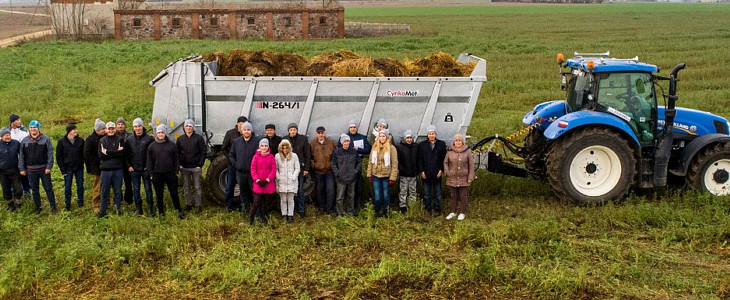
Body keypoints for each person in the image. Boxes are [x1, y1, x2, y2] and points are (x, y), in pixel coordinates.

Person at [147, 124, 185, 219]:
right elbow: (149, 162)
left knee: (174, 193)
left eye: (162, 132)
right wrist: (151, 174)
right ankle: (161, 212)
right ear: (156, 134)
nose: (160, 134)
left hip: (170, 173)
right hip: (157, 174)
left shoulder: (172, 145)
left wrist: (176, 171)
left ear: (165, 133)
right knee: (159, 195)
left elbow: (176, 159)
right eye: (159, 132)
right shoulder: (152, 146)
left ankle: (179, 211)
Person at [19, 120, 57, 214]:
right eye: (31, 127)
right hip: (31, 170)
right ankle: (38, 207)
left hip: (44, 169)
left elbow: (50, 153)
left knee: (48, 188)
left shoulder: (45, 139)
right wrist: (22, 168)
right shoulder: (24, 140)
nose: (33, 129)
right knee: (35, 190)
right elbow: (22, 155)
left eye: (35, 127)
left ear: (38, 128)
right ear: (29, 129)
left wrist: (49, 166)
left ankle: (53, 207)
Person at [338, 119, 371, 211]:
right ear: (349, 128)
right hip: (345, 165)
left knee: (357, 187)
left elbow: (368, 149)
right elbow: (338, 148)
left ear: (357, 128)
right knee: (343, 189)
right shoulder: (344, 137)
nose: (353, 129)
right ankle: (343, 208)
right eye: (351, 127)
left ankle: (356, 207)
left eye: (354, 127)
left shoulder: (362, 137)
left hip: (356, 165)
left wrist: (358, 149)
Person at [366, 129, 398, 217]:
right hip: (376, 175)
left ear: (387, 137)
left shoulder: (392, 148)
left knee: (386, 195)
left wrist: (392, 177)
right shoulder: (374, 147)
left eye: (383, 136)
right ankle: (376, 211)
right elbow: (370, 162)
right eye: (380, 136)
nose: (382, 138)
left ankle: (385, 211)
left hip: (386, 175)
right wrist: (369, 174)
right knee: (377, 195)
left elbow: (394, 163)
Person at [229, 121, 259, 216]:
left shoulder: (257, 141)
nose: (246, 131)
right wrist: (236, 164)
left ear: (251, 131)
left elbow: (261, 156)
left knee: (255, 193)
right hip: (240, 172)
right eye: (245, 129)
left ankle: (257, 213)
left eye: (248, 130)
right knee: (243, 193)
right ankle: (245, 211)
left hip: (252, 173)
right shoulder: (236, 142)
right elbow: (231, 155)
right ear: (241, 131)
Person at [126, 118, 154, 216]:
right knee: (136, 189)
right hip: (134, 170)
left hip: (146, 169)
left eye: (139, 126)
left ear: (142, 127)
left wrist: (149, 166)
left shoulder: (149, 139)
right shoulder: (129, 140)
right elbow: (126, 154)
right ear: (133, 127)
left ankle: (150, 209)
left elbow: (153, 154)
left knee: (148, 189)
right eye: (135, 127)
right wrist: (128, 166)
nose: (137, 128)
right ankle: (139, 209)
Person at [444, 134, 475, 221]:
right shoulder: (449, 151)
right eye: (456, 141)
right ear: (454, 142)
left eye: (459, 141)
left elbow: (471, 165)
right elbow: (445, 162)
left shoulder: (467, 151)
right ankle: (453, 212)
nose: (458, 142)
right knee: (453, 196)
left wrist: (470, 177)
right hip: (452, 177)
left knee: (463, 196)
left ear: (462, 142)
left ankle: (462, 213)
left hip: (464, 178)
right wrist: (447, 172)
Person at [177, 119, 206, 212]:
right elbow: (176, 153)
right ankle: (188, 204)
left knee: (197, 187)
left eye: (190, 126)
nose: (188, 128)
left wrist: (200, 165)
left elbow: (203, 152)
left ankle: (198, 205)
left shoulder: (198, 138)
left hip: (195, 168)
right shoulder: (180, 139)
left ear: (193, 128)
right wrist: (179, 164)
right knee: (187, 187)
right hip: (184, 168)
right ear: (184, 128)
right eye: (186, 126)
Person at [98, 121, 126, 217]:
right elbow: (101, 156)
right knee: (104, 191)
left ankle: (118, 209)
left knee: (117, 191)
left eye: (112, 128)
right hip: (105, 170)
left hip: (117, 169)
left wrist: (108, 152)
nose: (111, 130)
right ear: (106, 130)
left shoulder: (120, 139)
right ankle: (102, 210)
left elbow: (121, 154)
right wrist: (115, 152)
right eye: (109, 129)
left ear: (115, 129)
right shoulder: (102, 141)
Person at [417, 125, 447, 216]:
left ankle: (437, 208)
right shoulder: (422, 145)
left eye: (433, 133)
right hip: (426, 172)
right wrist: (421, 171)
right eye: (429, 134)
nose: (431, 135)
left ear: (436, 134)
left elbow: (443, 159)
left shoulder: (441, 144)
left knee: (437, 193)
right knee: (427, 193)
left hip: (437, 172)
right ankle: (428, 208)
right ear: (427, 135)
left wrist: (441, 170)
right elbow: (420, 159)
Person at [284, 123, 311, 217]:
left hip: (300, 169)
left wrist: (306, 168)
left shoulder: (303, 139)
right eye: (291, 130)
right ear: (288, 131)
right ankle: (288, 211)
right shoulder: (285, 139)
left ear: (297, 130)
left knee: (300, 191)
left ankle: (301, 210)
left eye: (294, 129)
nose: (292, 131)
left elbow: (307, 154)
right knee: (288, 191)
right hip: (287, 170)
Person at [56, 123, 85, 211]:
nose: (76, 131)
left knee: (80, 185)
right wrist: (62, 170)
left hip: (79, 167)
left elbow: (84, 154)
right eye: (74, 129)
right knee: (68, 186)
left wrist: (82, 163)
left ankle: (81, 202)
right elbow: (59, 156)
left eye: (76, 129)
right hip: (67, 168)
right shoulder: (61, 142)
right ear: (69, 131)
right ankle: (67, 204)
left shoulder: (81, 141)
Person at [331, 134, 361, 217]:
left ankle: (350, 212)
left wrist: (355, 171)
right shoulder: (337, 152)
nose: (346, 143)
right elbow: (333, 163)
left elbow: (359, 162)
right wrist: (337, 173)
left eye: (348, 141)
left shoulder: (354, 151)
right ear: (342, 142)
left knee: (351, 196)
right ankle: (339, 213)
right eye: (345, 141)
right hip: (341, 179)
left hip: (352, 178)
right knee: (340, 197)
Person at [222, 116, 247, 212]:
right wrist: (231, 159)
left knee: (243, 186)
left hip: (243, 165)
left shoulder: (247, 133)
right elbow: (224, 148)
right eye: (240, 123)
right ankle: (228, 205)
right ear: (237, 124)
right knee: (230, 185)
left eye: (244, 124)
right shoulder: (230, 133)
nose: (242, 125)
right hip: (232, 165)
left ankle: (242, 206)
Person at [310, 126, 336, 214]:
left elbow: (336, 155)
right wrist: (314, 165)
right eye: (319, 133)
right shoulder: (312, 144)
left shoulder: (331, 143)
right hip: (318, 171)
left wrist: (333, 165)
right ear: (316, 134)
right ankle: (321, 207)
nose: (321, 135)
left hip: (329, 171)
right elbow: (309, 157)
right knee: (319, 189)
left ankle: (330, 208)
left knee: (330, 190)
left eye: (322, 133)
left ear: (325, 133)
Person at [4, 113, 30, 202]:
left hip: (23, 158)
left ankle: (27, 192)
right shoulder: (6, 132)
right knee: (13, 177)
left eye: (19, 120)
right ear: (12, 122)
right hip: (12, 159)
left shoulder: (24, 131)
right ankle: (13, 193)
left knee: (24, 176)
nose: (20, 121)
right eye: (18, 120)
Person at [249, 139, 276, 224]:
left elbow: (273, 169)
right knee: (256, 202)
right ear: (259, 147)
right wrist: (257, 180)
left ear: (268, 147)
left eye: (265, 146)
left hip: (268, 183)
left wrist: (268, 179)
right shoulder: (256, 157)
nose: (264, 148)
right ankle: (251, 218)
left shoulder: (271, 157)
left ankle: (264, 218)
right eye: (262, 146)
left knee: (266, 202)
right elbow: (253, 169)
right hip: (258, 183)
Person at [275, 139, 299, 223]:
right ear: (281, 148)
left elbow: (297, 168)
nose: (285, 150)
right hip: (282, 181)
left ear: (289, 148)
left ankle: (290, 215)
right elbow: (275, 168)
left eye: (286, 148)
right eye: (283, 148)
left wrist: (293, 177)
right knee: (283, 200)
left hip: (291, 181)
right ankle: (284, 214)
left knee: (290, 200)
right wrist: (278, 177)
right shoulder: (277, 156)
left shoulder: (294, 156)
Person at [84, 119, 106, 213]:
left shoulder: (105, 137)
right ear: (98, 129)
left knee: (106, 186)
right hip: (96, 167)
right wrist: (92, 165)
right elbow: (87, 154)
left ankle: (106, 202)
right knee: (97, 186)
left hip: (105, 166)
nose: (105, 130)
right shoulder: (90, 139)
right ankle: (96, 204)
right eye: (103, 128)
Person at [0, 128, 22, 212]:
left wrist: (22, 167)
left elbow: (22, 155)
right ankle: (11, 205)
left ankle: (18, 203)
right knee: (6, 190)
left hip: (15, 171)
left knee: (18, 189)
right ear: (1, 137)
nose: (8, 137)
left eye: (9, 135)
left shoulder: (16, 143)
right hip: (3, 172)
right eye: (6, 135)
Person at [397, 129, 418, 214]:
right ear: (404, 138)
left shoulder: (416, 147)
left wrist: (416, 170)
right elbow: (398, 160)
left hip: (413, 174)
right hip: (404, 174)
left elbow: (418, 158)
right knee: (403, 190)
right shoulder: (400, 147)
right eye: (407, 138)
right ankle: (403, 206)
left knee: (413, 190)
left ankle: (412, 205)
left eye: (410, 137)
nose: (409, 139)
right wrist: (401, 169)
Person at [116, 117, 134, 205]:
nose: (120, 126)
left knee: (128, 182)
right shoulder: (113, 136)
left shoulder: (130, 135)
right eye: (118, 124)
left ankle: (129, 199)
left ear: (124, 126)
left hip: (128, 163)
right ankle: (119, 199)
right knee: (117, 183)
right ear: (116, 126)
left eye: (122, 124)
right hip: (117, 163)